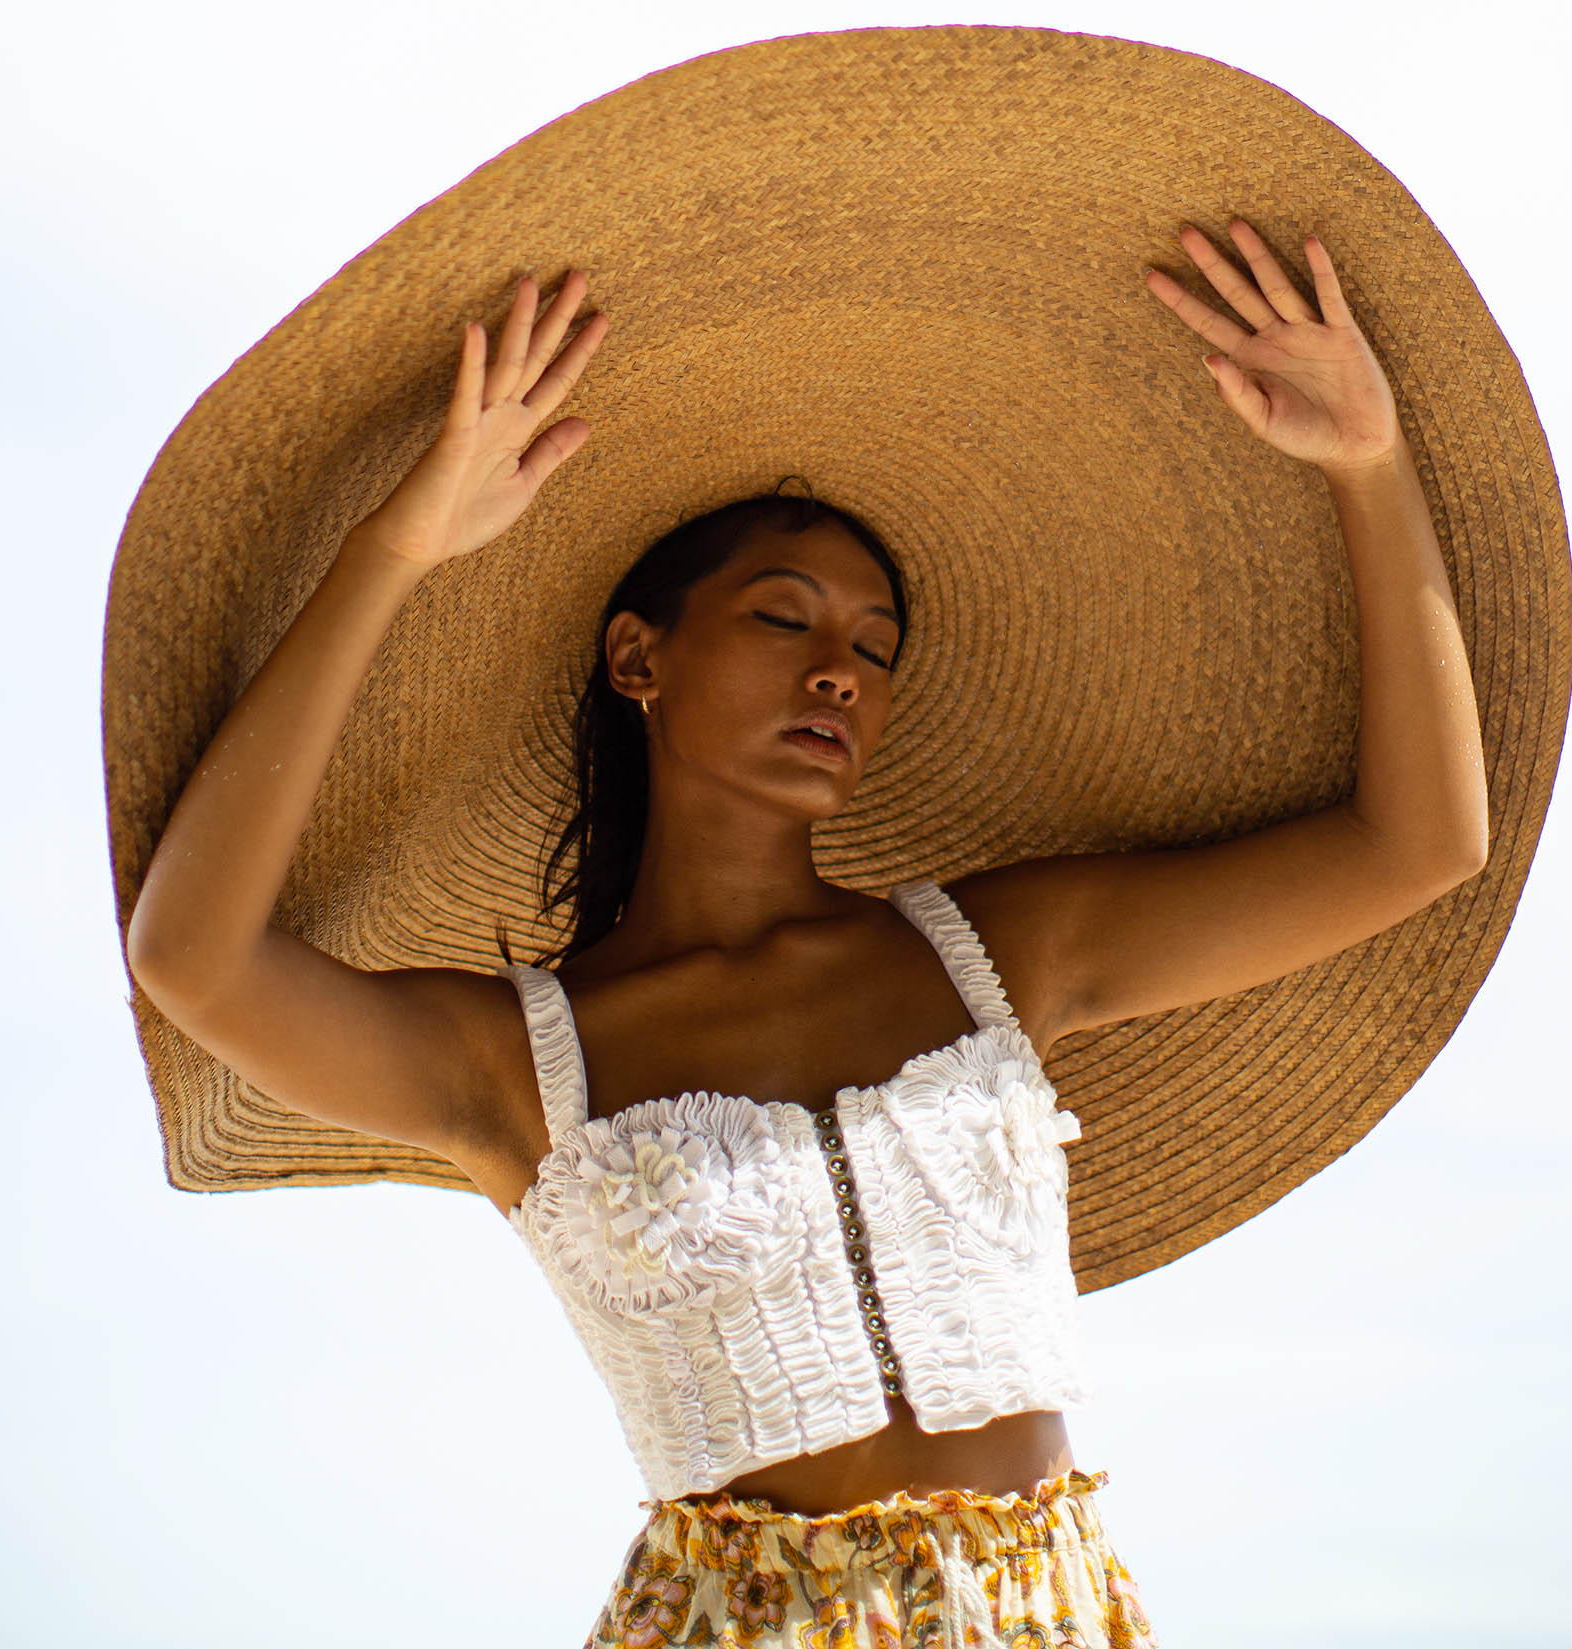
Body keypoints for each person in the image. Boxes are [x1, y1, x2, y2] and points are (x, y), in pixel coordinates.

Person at [125, 222, 1488, 1645]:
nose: (839, 667)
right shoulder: (517, 1060)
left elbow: (1418, 842)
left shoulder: (995, 955)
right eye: (783, 616)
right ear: (638, 657)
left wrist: (1367, 465)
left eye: (877, 644)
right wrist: (399, 545)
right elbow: (195, 957)